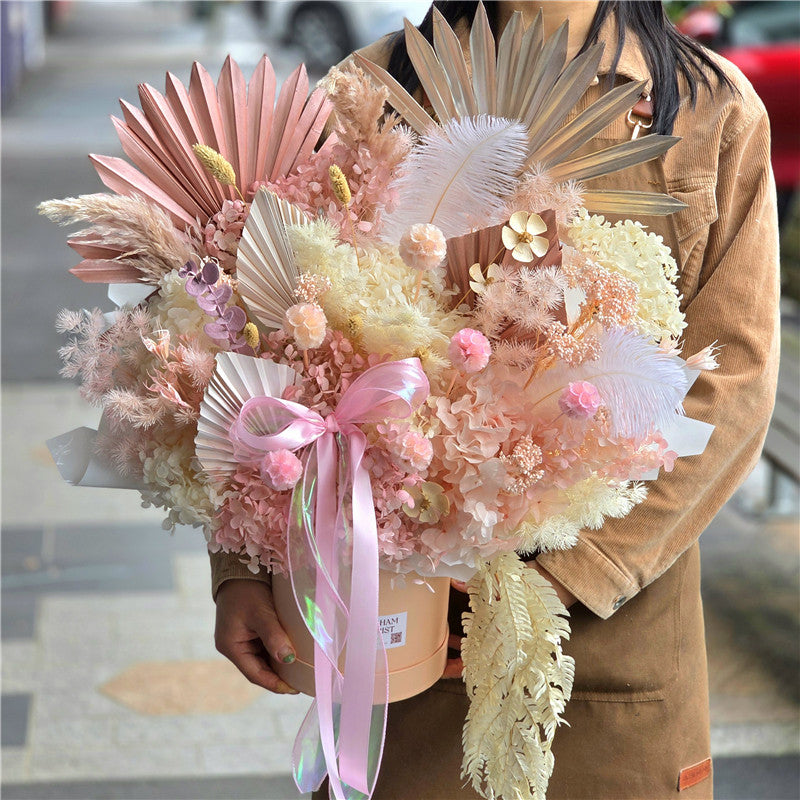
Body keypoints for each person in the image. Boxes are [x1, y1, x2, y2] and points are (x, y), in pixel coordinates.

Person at [211, 2, 780, 797]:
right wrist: (239, 568)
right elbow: (265, 343)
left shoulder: (707, 110)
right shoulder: (365, 94)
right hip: (398, 638)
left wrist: (559, 583)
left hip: (609, 654)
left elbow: (734, 385)